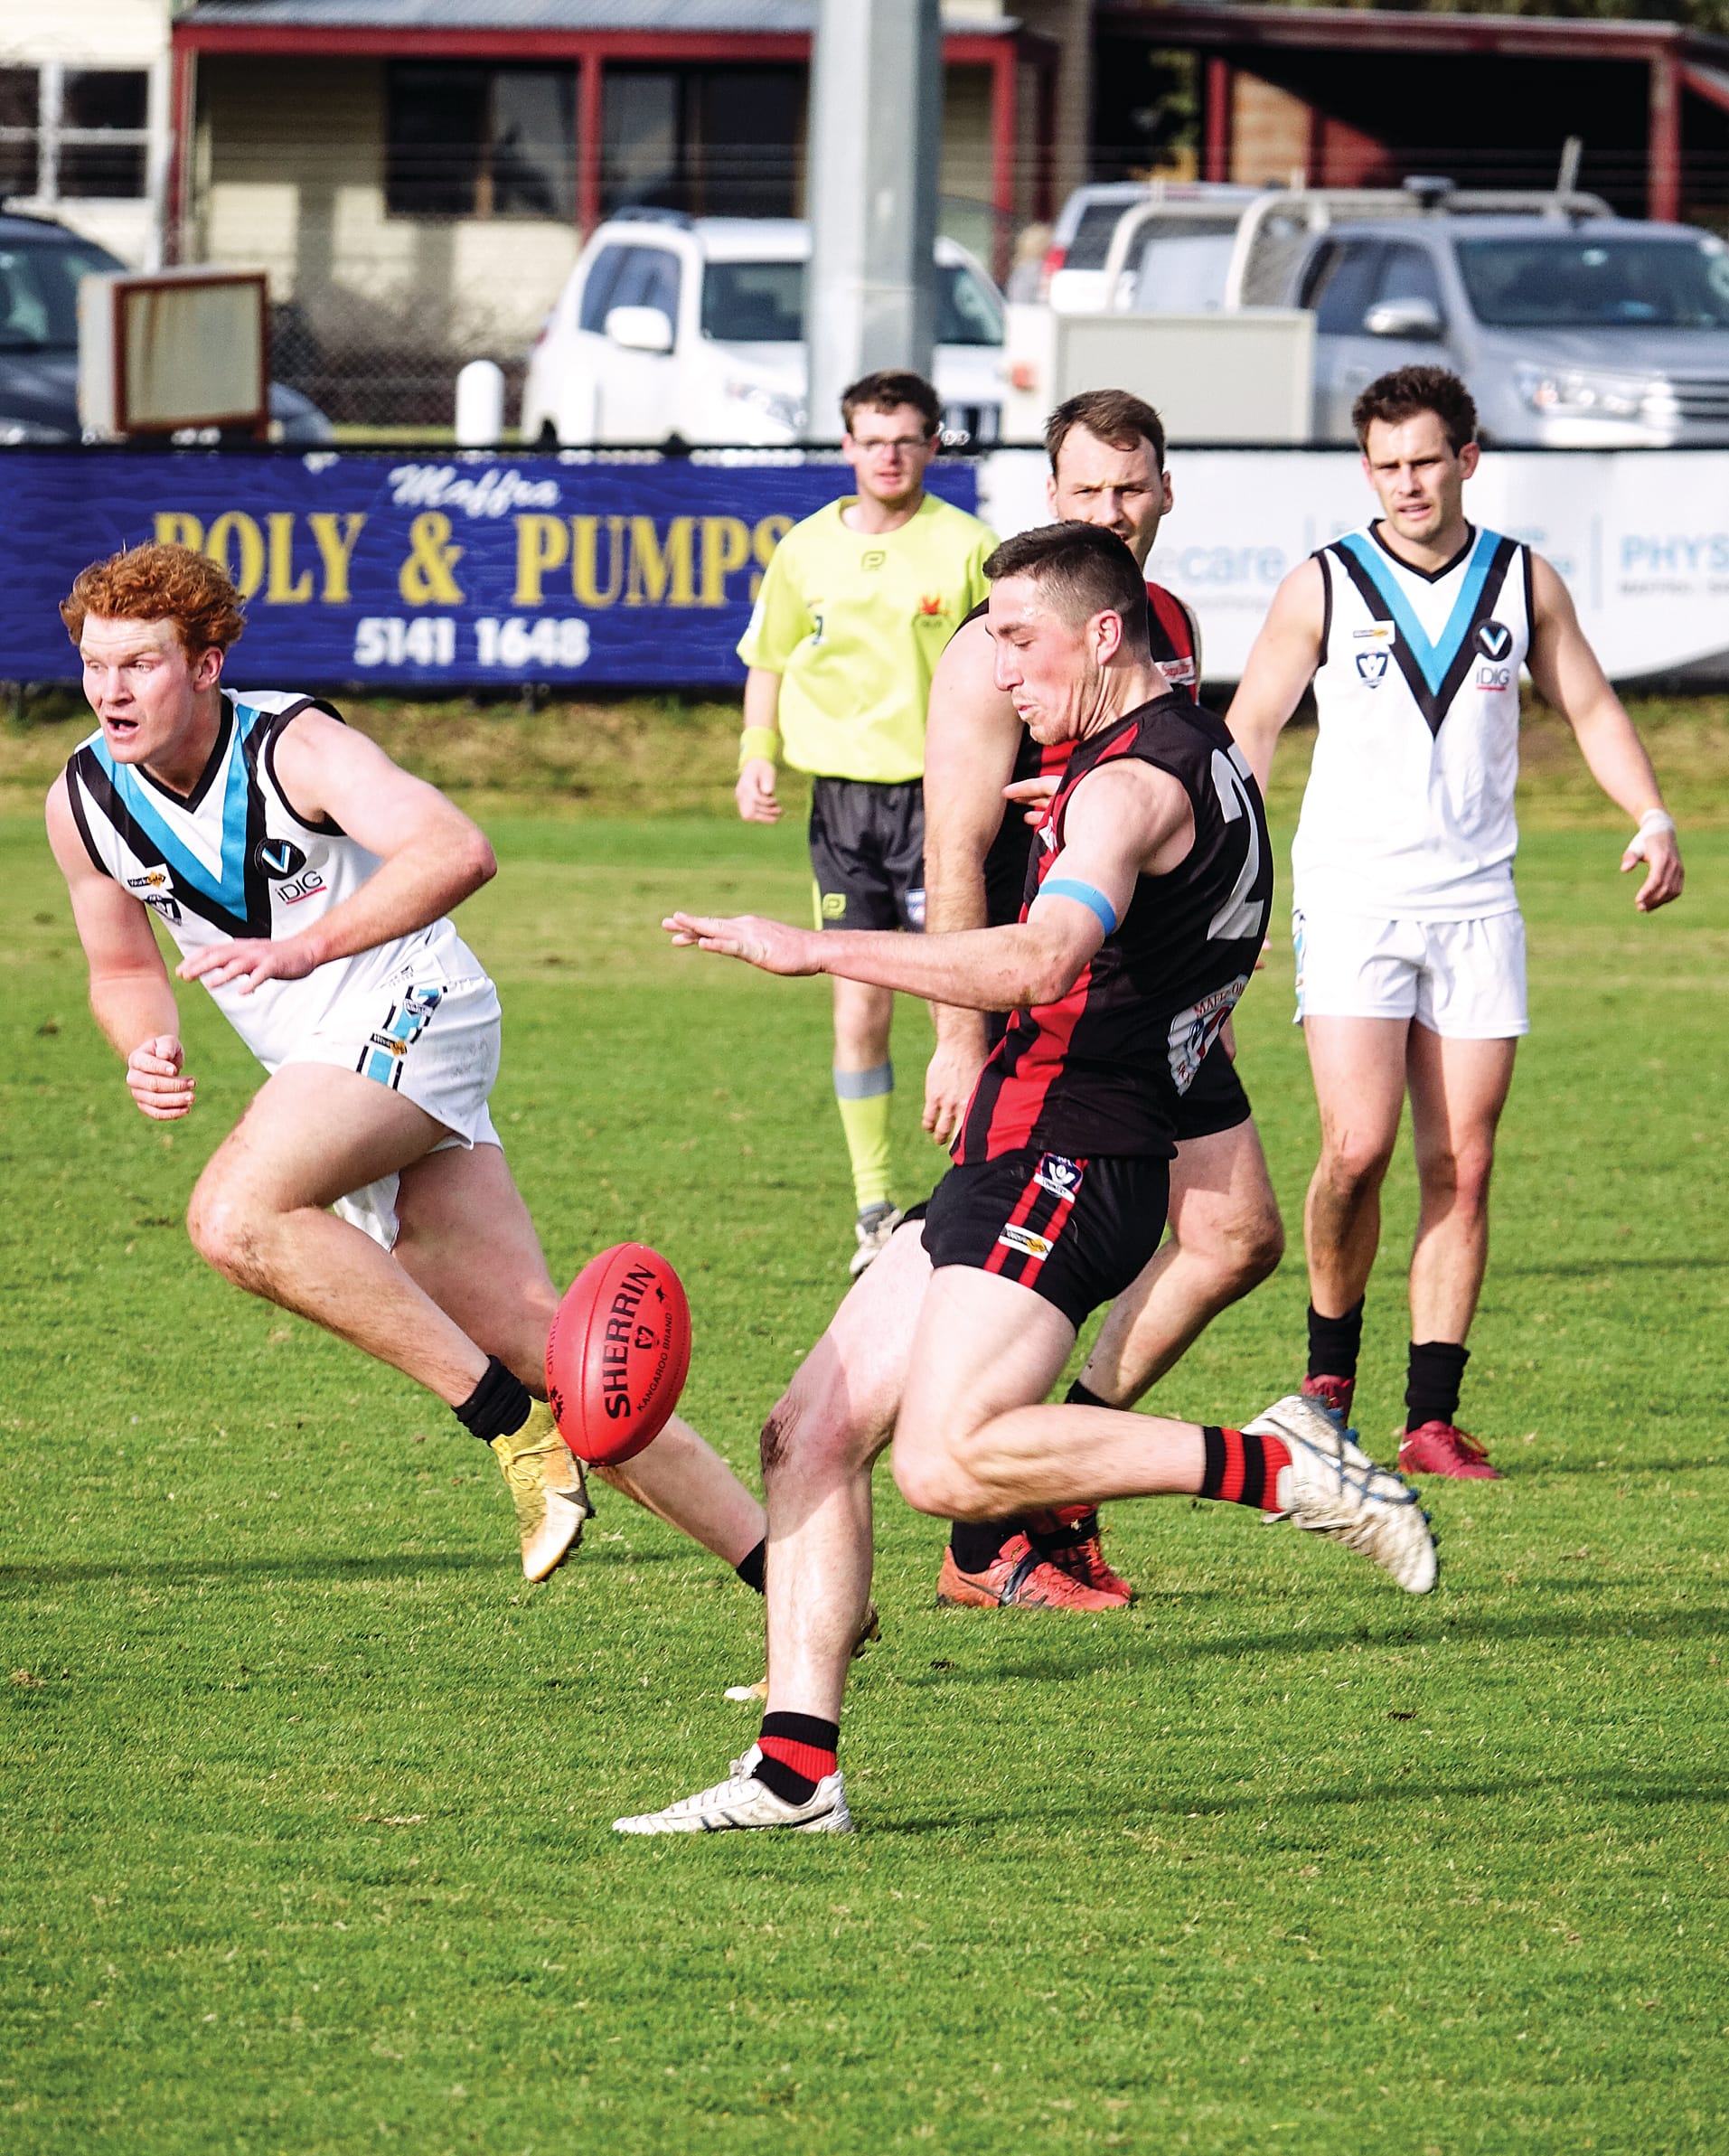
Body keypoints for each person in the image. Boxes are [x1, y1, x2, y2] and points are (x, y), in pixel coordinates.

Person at [618, 523, 1436, 1837]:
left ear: (1103, 636)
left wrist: (817, 950)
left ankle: (1278, 1465)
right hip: (1026, 1138)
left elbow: (1039, 965)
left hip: (1069, 1149)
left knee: (948, 1464)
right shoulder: (1178, 747)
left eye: (1016, 639)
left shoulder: (1126, 790)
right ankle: (794, 1772)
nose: (996, 670)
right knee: (806, 1434)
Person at [45, 541, 768, 1591]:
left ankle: (511, 1435)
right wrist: (142, 1043)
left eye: (141, 664)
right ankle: (797, 1582)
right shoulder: (82, 801)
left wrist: (307, 947)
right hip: (323, 1070)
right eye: (95, 665)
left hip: (412, 1006)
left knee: (233, 1216)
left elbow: (455, 849)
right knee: (553, 1351)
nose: (111, 690)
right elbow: (120, 967)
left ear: (205, 665)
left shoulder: (294, 745)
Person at [1226, 365, 1684, 1480]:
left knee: (1461, 1164)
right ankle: (1324, 1385)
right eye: (1384, 466)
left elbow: (1585, 702)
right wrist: (1197, 860)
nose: (1405, 484)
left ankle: (1428, 1417)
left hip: (1478, 905)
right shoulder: (1321, 585)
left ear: (1466, 459)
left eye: (1424, 460)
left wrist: (1650, 813)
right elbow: (1246, 734)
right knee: (1355, 1147)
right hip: (1351, 904)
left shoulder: (1523, 581)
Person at [920, 387, 1283, 1611]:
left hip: (1153, 995)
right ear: (1051, 497)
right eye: (1086, 492)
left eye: (1130, 490)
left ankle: (1046, 1485)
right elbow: (957, 842)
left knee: (1236, 1238)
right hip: (1058, 1005)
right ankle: (999, 1523)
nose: (1112, 511)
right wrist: (955, 1038)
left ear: (1167, 492)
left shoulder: (1156, 621)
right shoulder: (999, 647)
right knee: (1018, 1276)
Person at [736, 369, 997, 1276]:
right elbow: (767, 658)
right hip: (841, 807)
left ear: (931, 444)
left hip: (940, 800)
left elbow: (1007, 667)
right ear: (846, 446)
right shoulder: (804, 551)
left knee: (957, 1000)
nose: (888, 455)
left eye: (906, 437)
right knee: (859, 1006)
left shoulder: (967, 548)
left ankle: (979, 1179)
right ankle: (873, 1205)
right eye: (871, 439)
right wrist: (754, 750)